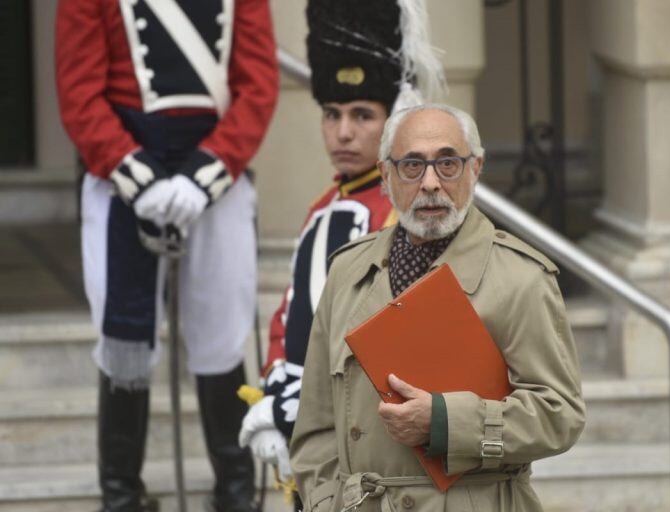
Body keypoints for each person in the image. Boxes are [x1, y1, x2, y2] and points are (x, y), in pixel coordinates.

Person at [289, 104, 586, 512]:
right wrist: (325, 502)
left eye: (448, 163)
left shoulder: (521, 278)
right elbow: (314, 426)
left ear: (475, 168)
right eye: (412, 165)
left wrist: (447, 421)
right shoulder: (347, 271)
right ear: (386, 174)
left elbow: (559, 416)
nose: (431, 183)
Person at [55, 1, 278, 511]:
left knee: (223, 332)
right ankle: (121, 495)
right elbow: (79, 94)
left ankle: (236, 493)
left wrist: (208, 174)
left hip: (216, 176)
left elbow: (257, 85)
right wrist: (133, 173)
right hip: (121, 180)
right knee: (124, 340)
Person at [238, 0, 445, 507]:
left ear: (393, 119)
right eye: (332, 115)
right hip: (314, 438)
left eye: (361, 115)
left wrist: (296, 412)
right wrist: (275, 393)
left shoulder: (417, 216)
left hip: (375, 452)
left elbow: (395, 344)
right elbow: (291, 318)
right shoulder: (325, 204)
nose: (343, 132)